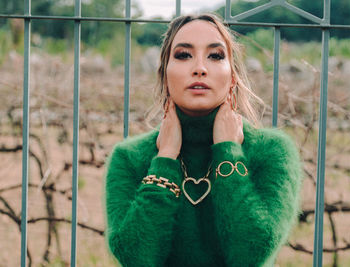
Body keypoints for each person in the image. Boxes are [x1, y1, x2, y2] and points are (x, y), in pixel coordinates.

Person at [104, 13, 302, 267]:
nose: (200, 67)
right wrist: (165, 159)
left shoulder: (272, 152)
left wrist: (228, 152)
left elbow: (251, 255)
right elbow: (136, 258)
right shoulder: (129, 158)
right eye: (184, 55)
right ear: (165, 74)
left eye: (216, 55)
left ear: (232, 77)